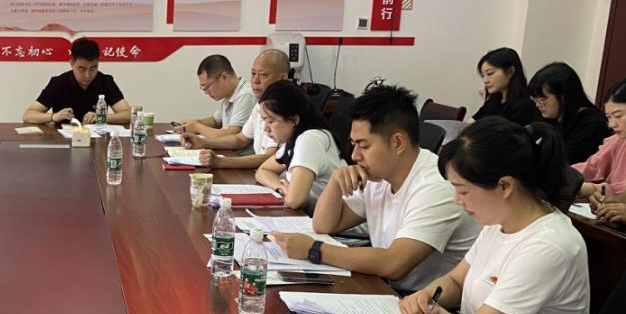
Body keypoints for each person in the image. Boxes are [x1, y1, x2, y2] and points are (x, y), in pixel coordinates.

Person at [399, 119, 593, 314]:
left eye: (463, 190)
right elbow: (456, 281)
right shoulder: (498, 222)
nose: (457, 200)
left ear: (505, 186)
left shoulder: (549, 245)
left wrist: (430, 311)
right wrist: (426, 295)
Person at [271, 86, 479, 292]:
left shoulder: (435, 187)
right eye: (353, 144)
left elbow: (394, 264)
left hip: (426, 302)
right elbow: (323, 225)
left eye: (364, 146)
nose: (355, 155)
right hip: (388, 289)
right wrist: (334, 183)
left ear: (398, 143)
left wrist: (314, 249)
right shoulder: (378, 175)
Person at [253, 80, 343, 212]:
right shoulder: (296, 138)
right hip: (310, 216)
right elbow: (262, 171)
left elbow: (295, 201)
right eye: (264, 120)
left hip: (333, 222)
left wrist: (289, 192)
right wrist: (281, 187)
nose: (265, 128)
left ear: (294, 120)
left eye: (270, 121)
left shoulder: (310, 139)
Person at [196, 48, 290, 170]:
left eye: (263, 75)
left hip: (275, 175)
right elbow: (240, 139)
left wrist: (220, 162)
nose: (255, 80)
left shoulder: (285, 108)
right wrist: (202, 142)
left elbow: (269, 157)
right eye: (253, 74)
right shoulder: (260, 104)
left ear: (282, 78)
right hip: (261, 172)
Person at [22, 37, 132, 125]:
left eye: (93, 68)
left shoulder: (105, 81)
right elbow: (28, 115)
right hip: (64, 141)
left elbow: (128, 114)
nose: (88, 75)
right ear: (71, 63)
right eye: (82, 69)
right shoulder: (59, 83)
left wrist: (101, 117)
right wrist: (53, 117)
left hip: (97, 140)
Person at [527, 62, 610, 165]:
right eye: (535, 100)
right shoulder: (548, 116)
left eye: (543, 100)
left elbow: (563, 161)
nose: (538, 105)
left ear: (564, 96)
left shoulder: (591, 123)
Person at [173, 55, 255, 150]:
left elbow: (231, 134)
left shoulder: (246, 95)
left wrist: (196, 127)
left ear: (224, 77)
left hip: (238, 155)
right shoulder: (228, 94)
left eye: (206, 87)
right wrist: (195, 122)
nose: (206, 92)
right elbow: (215, 121)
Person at [574, 77, 626, 200]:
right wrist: (561, 174)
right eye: (609, 117)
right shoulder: (617, 140)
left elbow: (622, 191)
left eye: (618, 116)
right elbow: (592, 166)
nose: (612, 124)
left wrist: (591, 189)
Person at [473, 47, 538, 126]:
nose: (485, 80)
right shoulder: (494, 101)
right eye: (483, 76)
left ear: (510, 71)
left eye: (490, 73)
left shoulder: (523, 106)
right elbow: (471, 123)